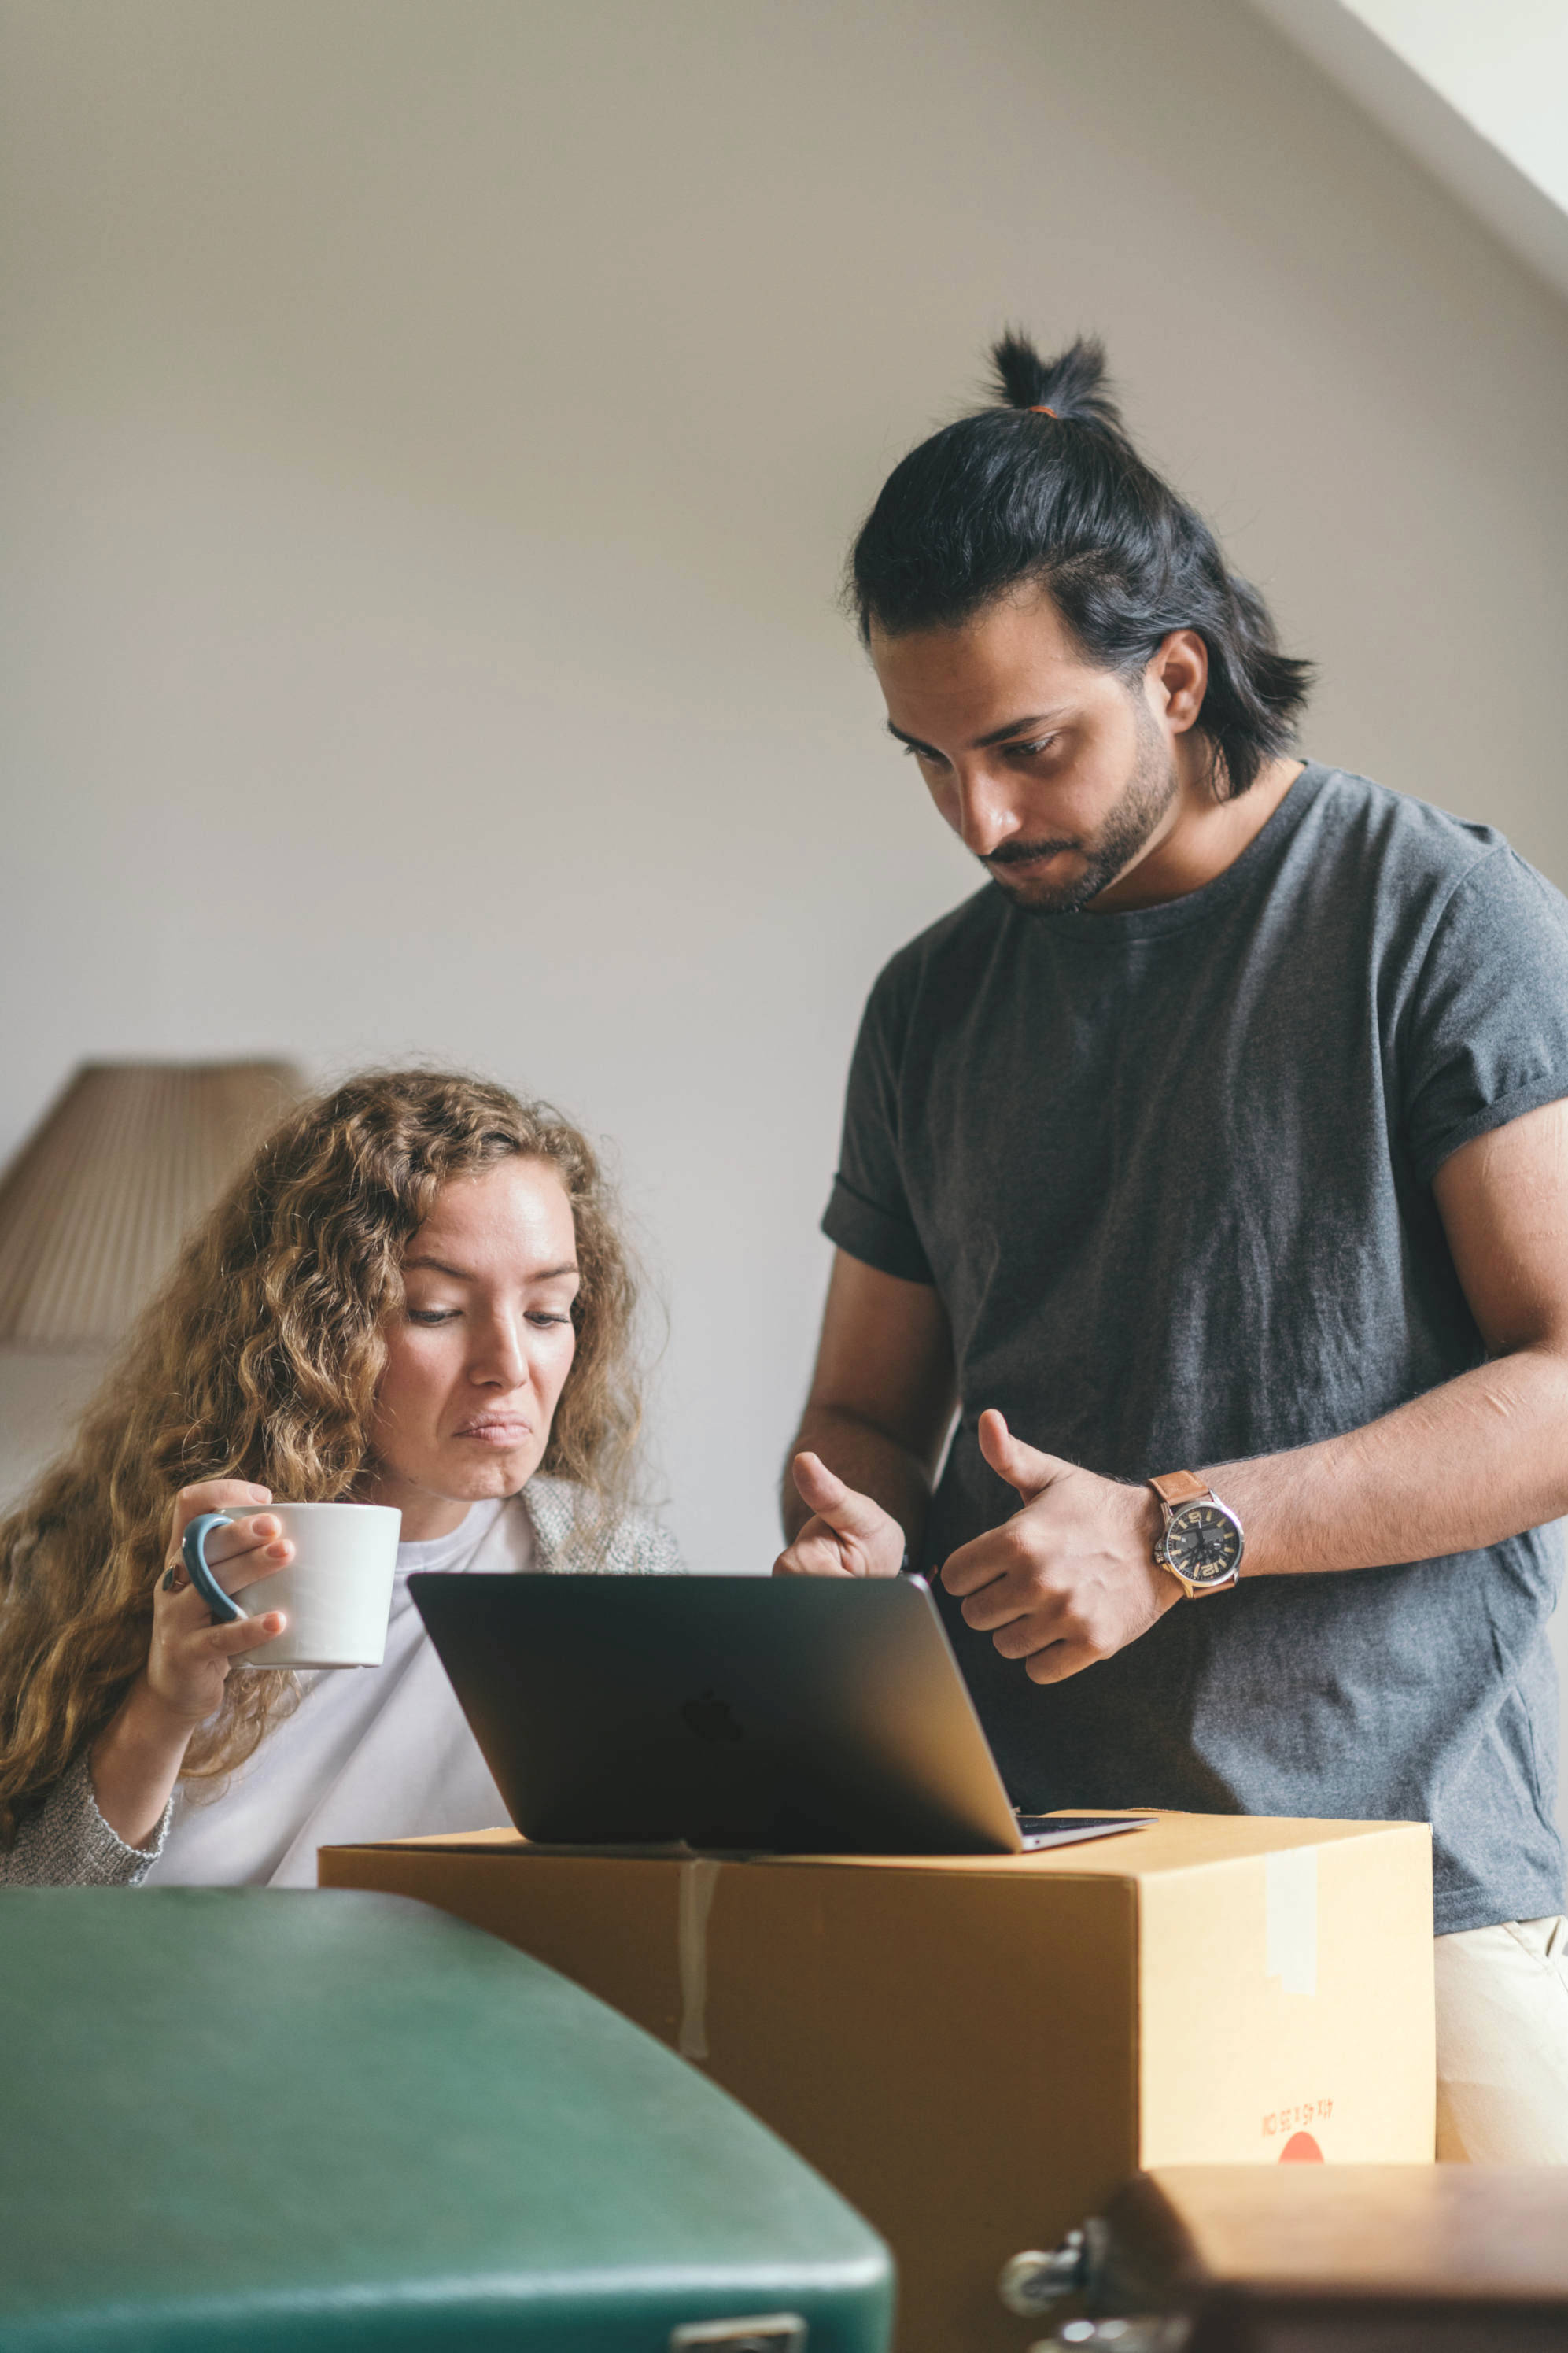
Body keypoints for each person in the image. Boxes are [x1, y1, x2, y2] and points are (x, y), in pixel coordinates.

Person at [776, 333, 1568, 2163]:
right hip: (1035, 1876)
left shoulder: (1433, 917)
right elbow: (861, 1417)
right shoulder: (926, 1003)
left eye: (1023, 747)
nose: (974, 818)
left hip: (1413, 1897)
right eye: (925, 760)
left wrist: (1172, 1531)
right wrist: (843, 1540)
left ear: (1178, 672)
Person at [0, 1069, 678, 1888]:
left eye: (545, 1311)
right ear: (319, 1331)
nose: (508, 1366)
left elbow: (666, 1900)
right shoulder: (132, 1553)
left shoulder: (612, 1566)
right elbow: (35, 1930)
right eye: (435, 1309)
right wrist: (164, 1706)